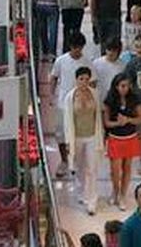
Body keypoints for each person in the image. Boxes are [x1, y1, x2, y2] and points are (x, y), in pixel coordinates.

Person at [63, 66, 104, 214]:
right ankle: (81, 192)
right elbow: (67, 121)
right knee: (80, 167)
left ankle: (92, 200)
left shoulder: (95, 94)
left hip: (92, 136)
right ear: (76, 80)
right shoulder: (70, 97)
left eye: (87, 79)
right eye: (81, 79)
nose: (84, 82)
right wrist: (68, 142)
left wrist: (101, 137)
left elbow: (98, 118)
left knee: (91, 168)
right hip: (77, 137)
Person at [51, 33, 94, 177]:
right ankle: (64, 160)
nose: (77, 51)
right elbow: (54, 77)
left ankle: (76, 161)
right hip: (63, 103)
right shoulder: (61, 61)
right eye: (75, 48)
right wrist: (52, 95)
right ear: (70, 46)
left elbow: (93, 82)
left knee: (79, 135)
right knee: (61, 133)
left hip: (81, 106)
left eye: (80, 48)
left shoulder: (87, 62)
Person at [104, 73, 141, 209]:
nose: (125, 88)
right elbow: (107, 122)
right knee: (115, 170)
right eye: (122, 86)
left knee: (127, 167)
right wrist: (118, 123)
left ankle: (123, 194)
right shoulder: (109, 100)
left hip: (130, 137)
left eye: (127, 86)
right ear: (116, 86)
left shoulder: (134, 99)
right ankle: (115, 192)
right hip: (115, 138)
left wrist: (128, 120)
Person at [94, 38, 128, 104]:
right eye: (109, 50)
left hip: (116, 101)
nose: (110, 53)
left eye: (113, 51)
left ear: (118, 52)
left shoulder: (123, 65)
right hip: (100, 99)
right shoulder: (96, 63)